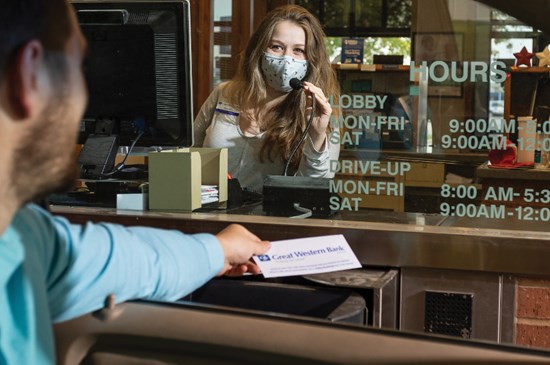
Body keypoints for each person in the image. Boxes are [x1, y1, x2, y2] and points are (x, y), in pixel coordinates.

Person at [0, 1, 270, 364]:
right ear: (29, 76)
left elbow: (124, 259)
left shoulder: (23, 236)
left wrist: (216, 251)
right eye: (80, 67)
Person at [194, 5, 340, 192]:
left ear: (312, 60)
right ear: (259, 49)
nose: (287, 59)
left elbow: (313, 190)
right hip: (209, 212)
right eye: (276, 47)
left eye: (298, 51)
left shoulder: (321, 113)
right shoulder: (224, 93)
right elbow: (187, 151)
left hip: (270, 218)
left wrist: (316, 135)